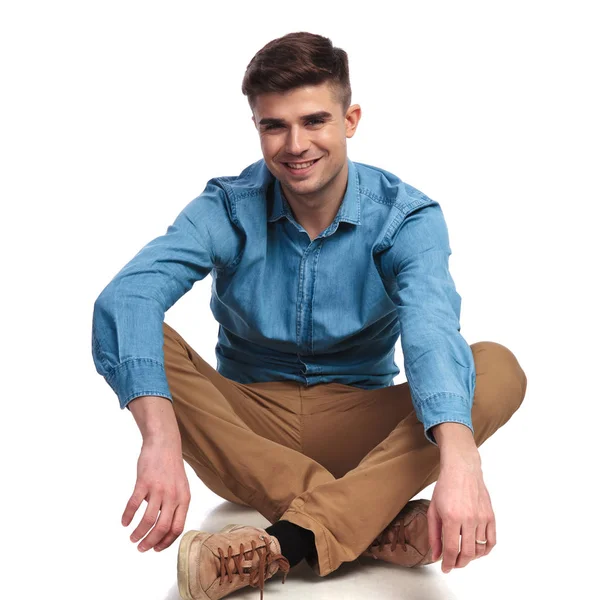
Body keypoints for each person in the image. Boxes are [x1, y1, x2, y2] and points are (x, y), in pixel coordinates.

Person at [92, 31, 527, 600]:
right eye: (274, 125)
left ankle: (289, 542)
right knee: (139, 332)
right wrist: (159, 437)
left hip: (361, 426)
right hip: (245, 430)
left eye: (315, 121)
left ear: (350, 120)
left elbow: (430, 332)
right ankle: (369, 519)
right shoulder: (228, 206)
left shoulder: (405, 217)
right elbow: (126, 297)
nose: (295, 145)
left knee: (495, 366)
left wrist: (462, 460)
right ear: (257, 128)